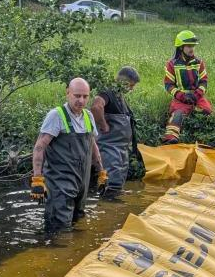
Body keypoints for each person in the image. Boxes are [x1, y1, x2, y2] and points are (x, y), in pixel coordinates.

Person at [30, 78, 106, 233]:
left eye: (85, 96)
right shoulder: (56, 115)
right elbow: (39, 147)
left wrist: (101, 172)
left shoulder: (88, 116)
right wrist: (37, 179)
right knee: (59, 229)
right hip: (60, 183)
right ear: (67, 93)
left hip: (81, 183)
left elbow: (93, 146)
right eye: (77, 96)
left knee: (78, 223)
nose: (81, 100)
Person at [91, 66, 140, 198]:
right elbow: (96, 106)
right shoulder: (108, 92)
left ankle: (113, 202)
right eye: (130, 85)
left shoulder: (119, 95)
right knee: (111, 179)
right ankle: (108, 206)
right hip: (109, 147)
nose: (131, 89)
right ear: (123, 81)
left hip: (121, 149)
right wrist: (103, 124)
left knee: (119, 178)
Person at [162, 30, 212, 144]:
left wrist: (197, 94)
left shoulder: (199, 62)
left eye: (193, 46)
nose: (192, 49)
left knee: (207, 111)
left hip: (197, 96)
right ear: (181, 47)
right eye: (189, 46)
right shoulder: (172, 64)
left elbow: (204, 82)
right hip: (181, 97)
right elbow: (168, 85)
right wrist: (181, 95)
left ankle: (201, 138)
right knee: (177, 113)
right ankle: (170, 139)